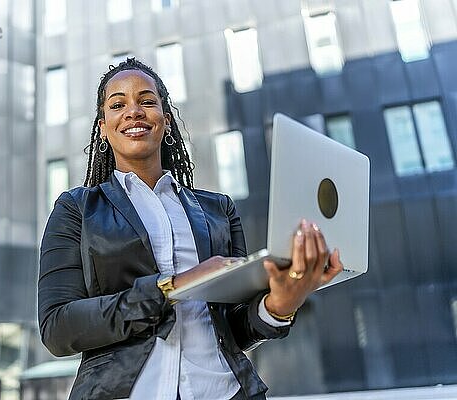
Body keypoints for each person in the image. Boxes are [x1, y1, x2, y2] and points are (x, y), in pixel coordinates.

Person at [38, 58, 343, 400]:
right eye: (118, 104)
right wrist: (175, 286)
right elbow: (57, 327)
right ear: (103, 126)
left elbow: (234, 329)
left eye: (147, 101)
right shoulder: (76, 209)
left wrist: (281, 304)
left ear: (165, 122)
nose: (134, 111)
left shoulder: (218, 210)